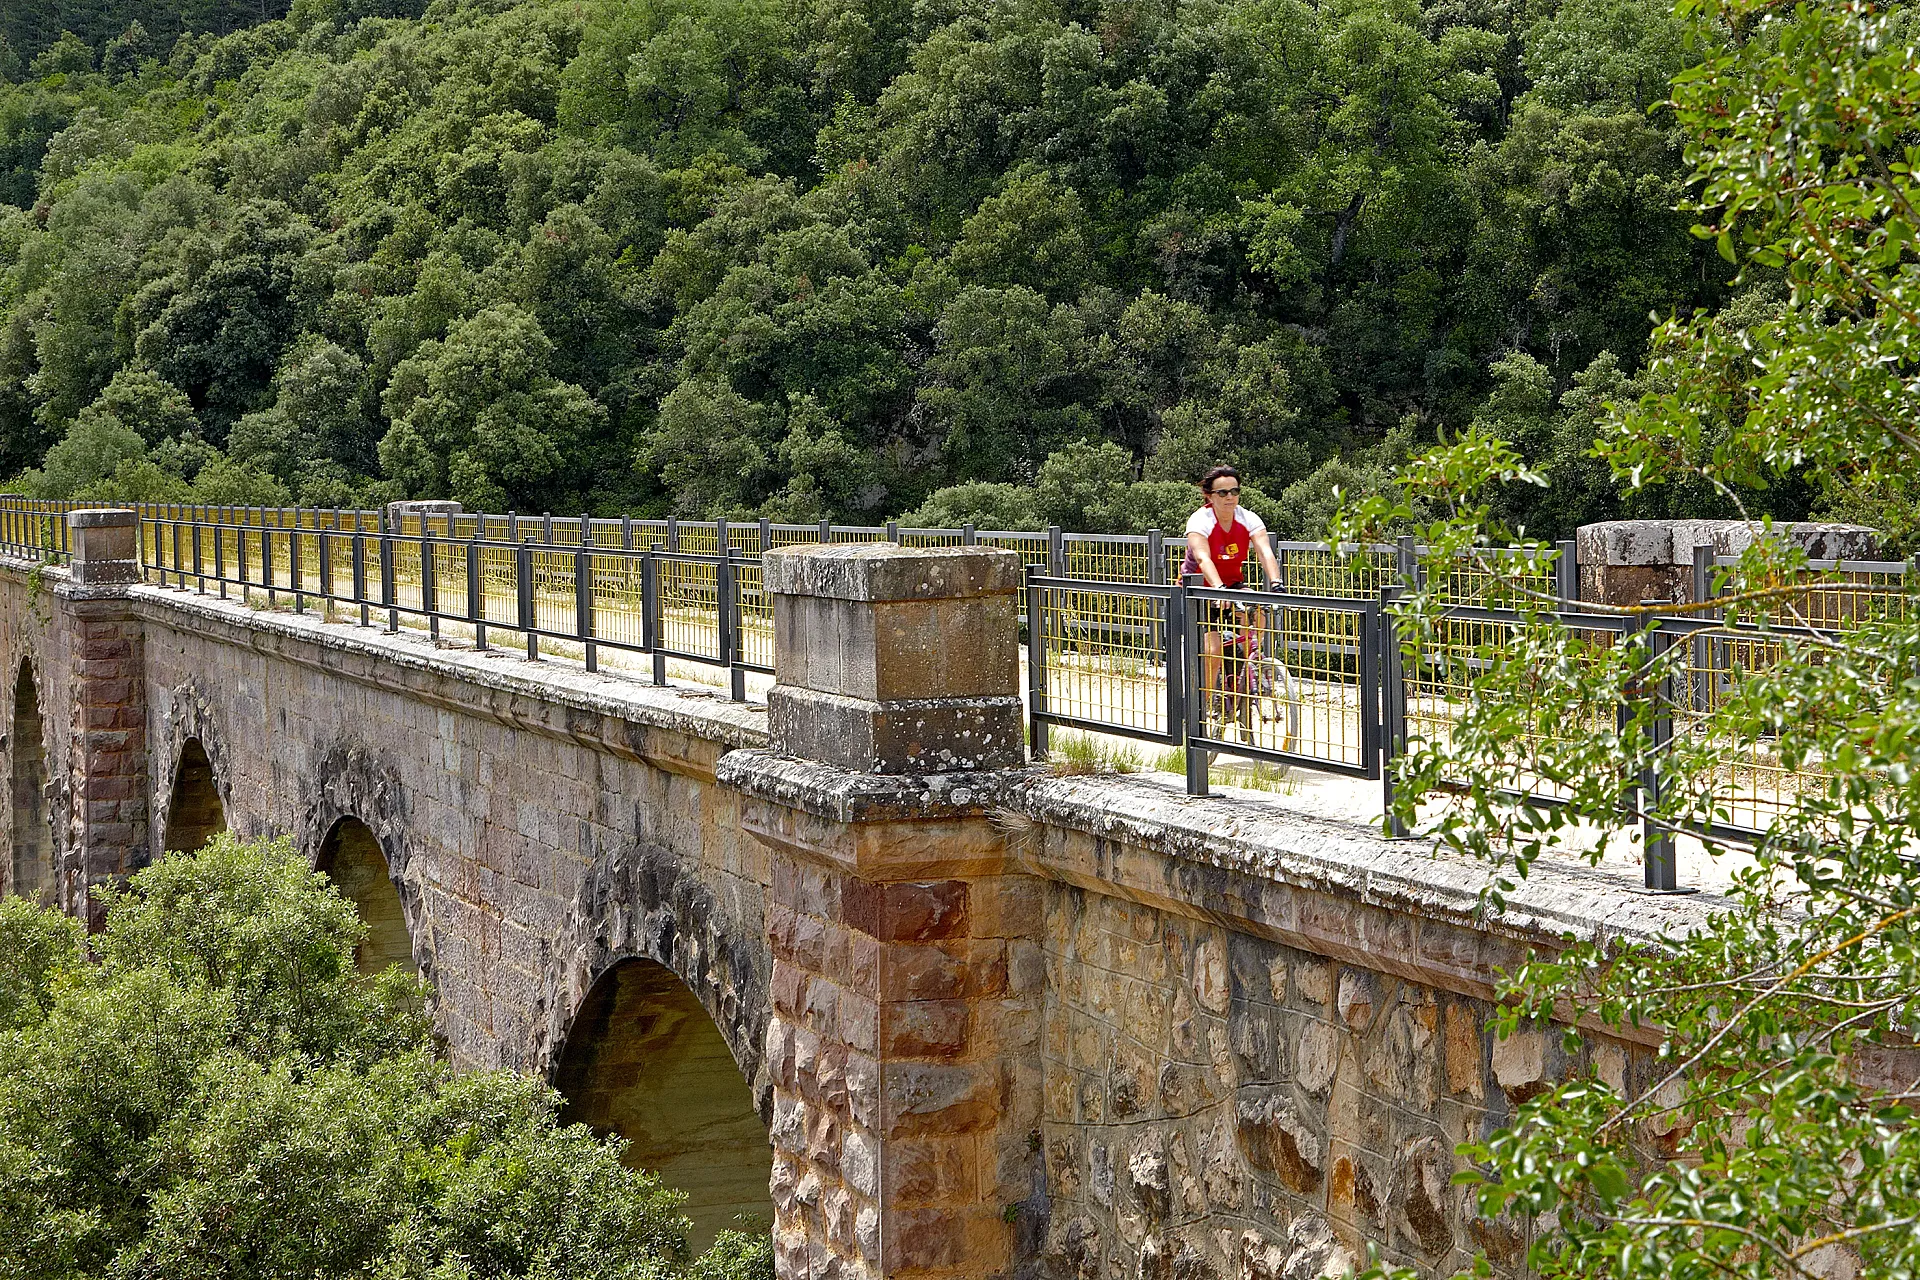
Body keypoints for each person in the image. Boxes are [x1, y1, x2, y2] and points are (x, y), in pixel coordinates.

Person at [1184, 466, 1283, 717]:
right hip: (1200, 587)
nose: (1230, 497)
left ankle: (1248, 665)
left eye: (1235, 491)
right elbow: (1203, 558)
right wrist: (1218, 590)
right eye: (1222, 492)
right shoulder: (1200, 520)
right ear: (1209, 496)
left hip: (1232, 583)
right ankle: (1204, 707)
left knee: (1257, 610)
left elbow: (1265, 551)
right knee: (1213, 651)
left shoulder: (1247, 518)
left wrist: (1276, 583)